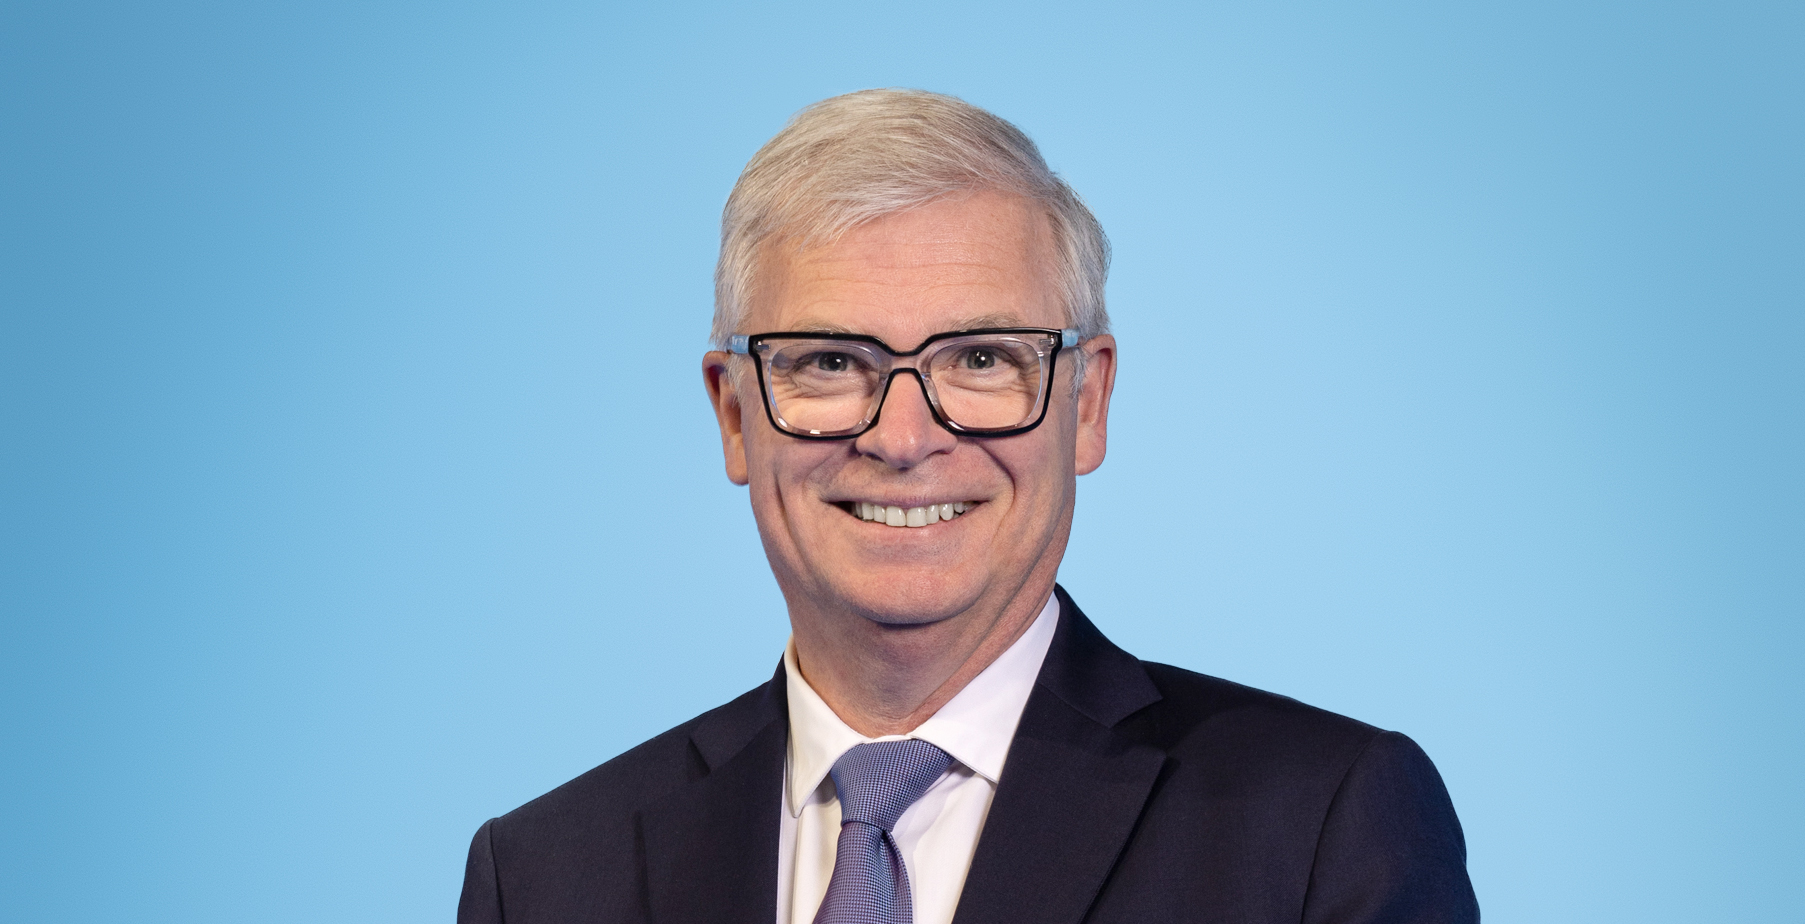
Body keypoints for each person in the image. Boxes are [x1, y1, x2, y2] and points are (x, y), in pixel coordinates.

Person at [457, 88, 1479, 924]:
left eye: (982, 358)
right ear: (733, 415)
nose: (903, 438)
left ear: (1088, 404)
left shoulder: (1317, 829)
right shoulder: (544, 878)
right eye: (829, 362)